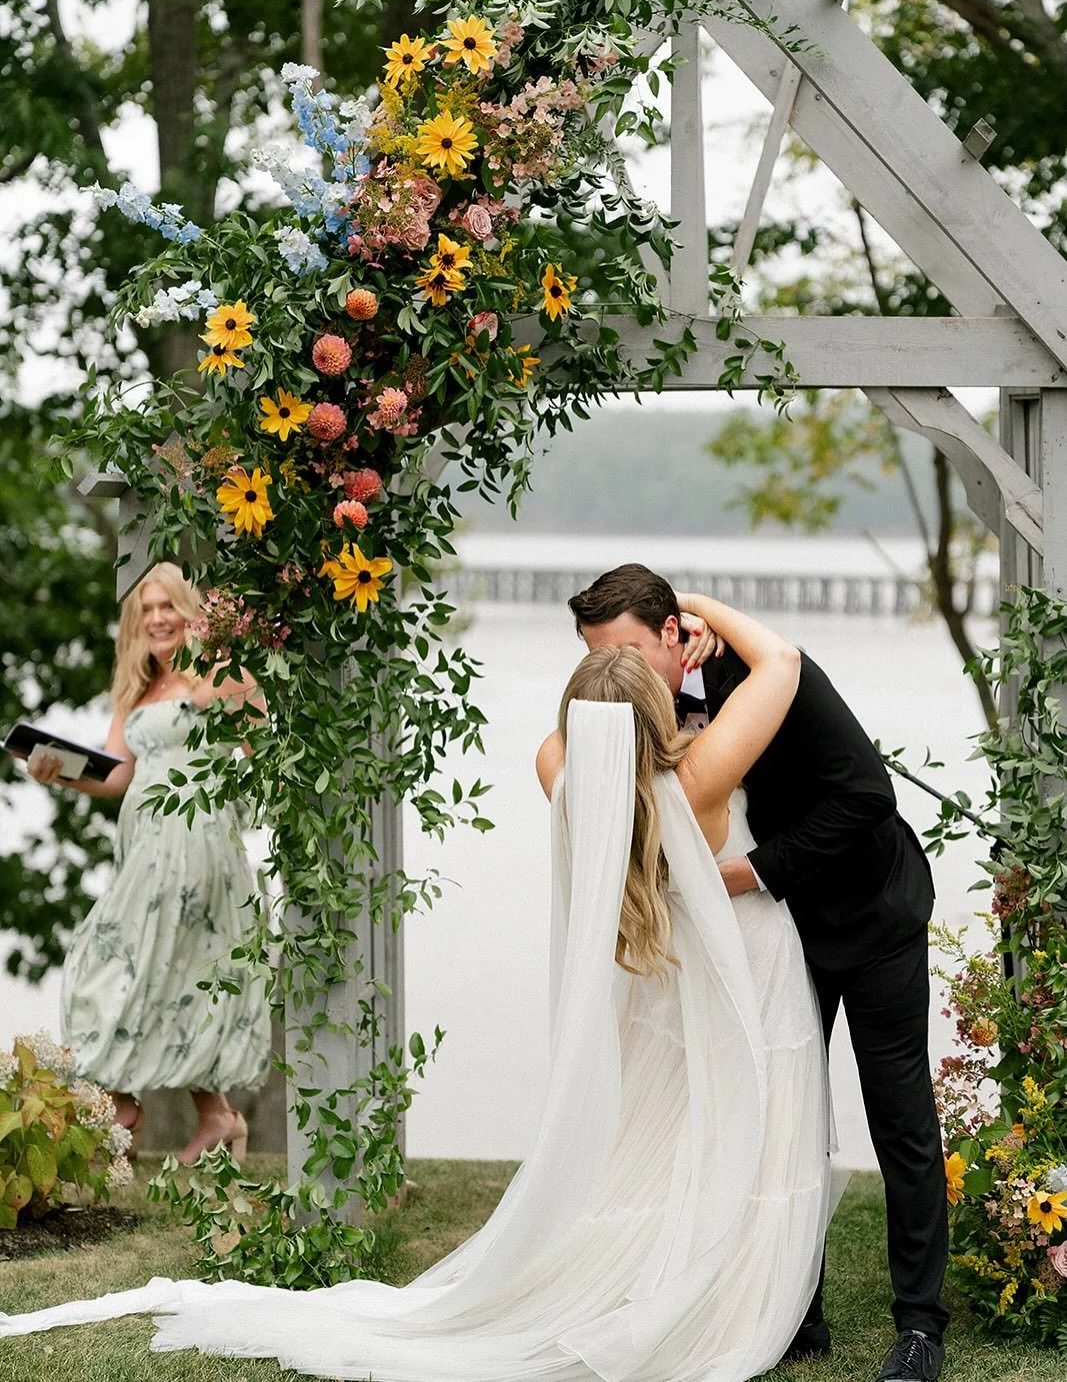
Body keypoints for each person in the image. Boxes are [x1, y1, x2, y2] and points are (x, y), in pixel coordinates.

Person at [2, 598, 833, 1382]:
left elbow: (579, 736)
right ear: (657, 711)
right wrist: (697, 614)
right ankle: (741, 1288)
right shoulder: (705, 775)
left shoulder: (560, 771)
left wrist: (620, 691)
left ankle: (671, 1275)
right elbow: (781, 661)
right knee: (744, 1131)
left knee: (664, 1148)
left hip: (654, 982)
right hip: (737, 970)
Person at [568, 563, 947, 1382]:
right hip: (780, 936)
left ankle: (919, 1327)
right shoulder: (629, 710)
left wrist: (745, 875)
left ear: (674, 634)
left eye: (630, 652)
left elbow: (865, 798)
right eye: (604, 659)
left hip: (871, 912)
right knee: (781, 1119)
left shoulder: (763, 673)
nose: (620, 676)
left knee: (899, 1119)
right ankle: (790, 1307)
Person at [22, 562, 272, 1164]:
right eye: (147, 609)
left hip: (196, 843)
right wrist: (57, 774)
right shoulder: (137, 687)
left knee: (120, 961)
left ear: (189, 612)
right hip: (145, 849)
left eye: (168, 606)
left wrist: (232, 800)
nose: (157, 618)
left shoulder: (218, 674)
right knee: (158, 970)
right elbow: (116, 775)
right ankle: (214, 1117)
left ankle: (124, 1102)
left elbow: (262, 745)